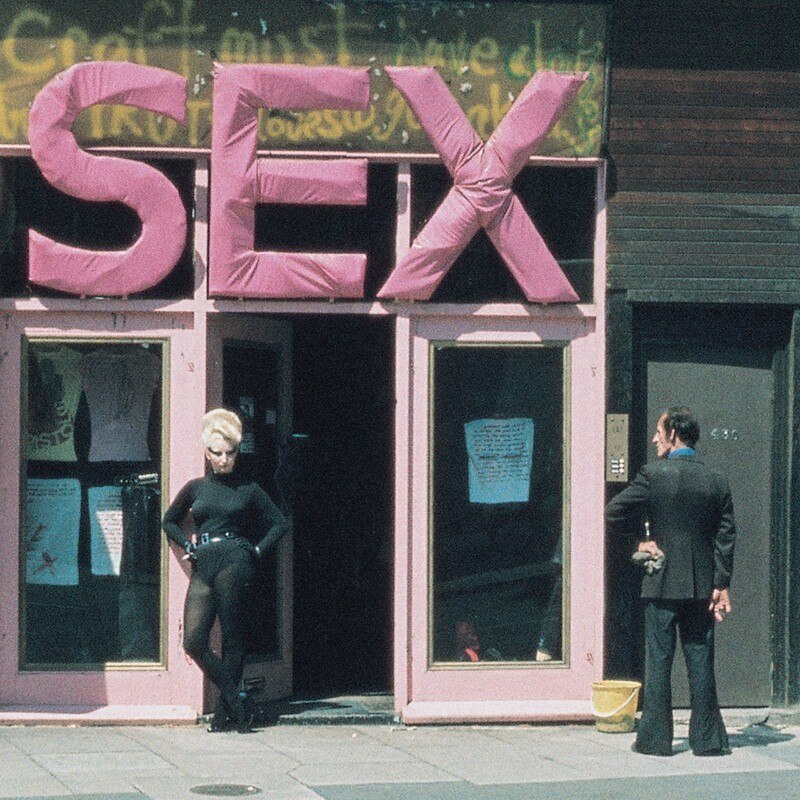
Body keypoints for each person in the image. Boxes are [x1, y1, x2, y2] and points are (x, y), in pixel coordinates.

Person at [605, 406, 736, 756]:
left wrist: (640, 542)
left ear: (674, 434)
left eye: (658, 432)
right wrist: (721, 583)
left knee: (659, 661)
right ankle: (708, 741)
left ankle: (655, 740)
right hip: (701, 584)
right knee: (700, 660)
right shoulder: (716, 479)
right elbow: (726, 537)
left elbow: (614, 510)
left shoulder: (652, 475)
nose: (653, 439)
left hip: (660, 582)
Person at [162, 409, 289, 732]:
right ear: (206, 453)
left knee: (233, 638)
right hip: (204, 560)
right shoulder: (196, 488)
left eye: (230, 453)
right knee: (193, 641)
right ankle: (236, 698)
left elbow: (278, 523)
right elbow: (169, 521)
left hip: (236, 558)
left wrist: (257, 549)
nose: (223, 460)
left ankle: (223, 715)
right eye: (217, 453)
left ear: (237, 452)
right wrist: (187, 547)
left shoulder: (249, 489)